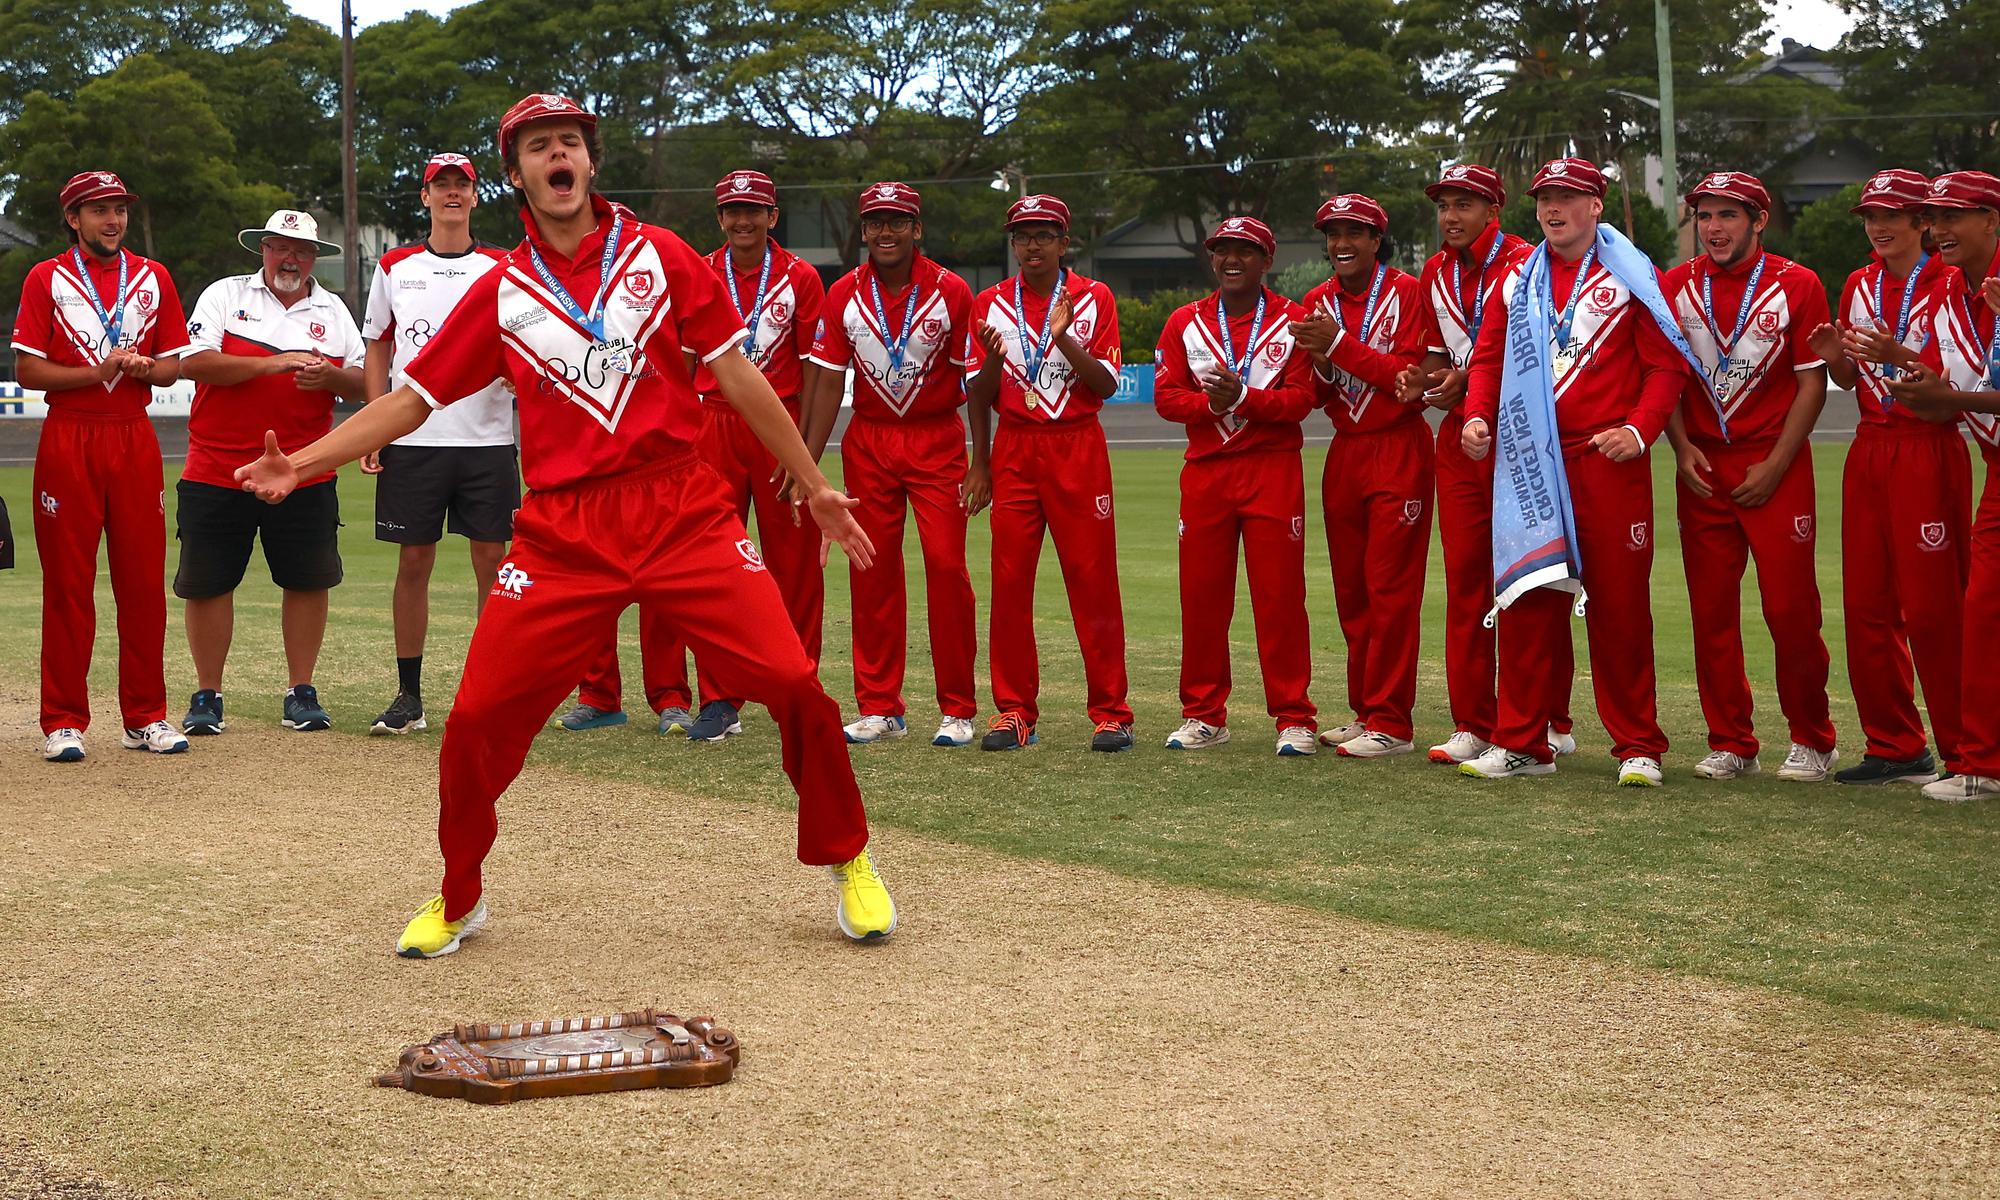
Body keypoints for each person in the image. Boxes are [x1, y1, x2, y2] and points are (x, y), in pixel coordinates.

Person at [234, 92, 895, 953]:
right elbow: (407, 401)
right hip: (561, 532)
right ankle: (460, 895)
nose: (559, 156)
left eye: (571, 143)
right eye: (540, 146)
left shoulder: (661, 256)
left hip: (680, 511)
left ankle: (849, 858)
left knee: (795, 684)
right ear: (517, 175)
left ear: (591, 163)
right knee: (474, 720)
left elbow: (736, 377)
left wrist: (811, 483)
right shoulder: (503, 290)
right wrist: (307, 462)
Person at [561, 168, 828, 743]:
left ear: (772, 216)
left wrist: (802, 452)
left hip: (772, 421)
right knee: (705, 565)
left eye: (753, 210)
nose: (742, 220)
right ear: (719, 217)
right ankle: (719, 699)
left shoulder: (801, 277)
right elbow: (680, 368)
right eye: (732, 210)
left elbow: (812, 372)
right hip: (707, 423)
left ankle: (797, 689)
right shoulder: (700, 269)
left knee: (795, 565)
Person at [1460, 157, 1690, 786]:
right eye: (1545, 200)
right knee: (1527, 600)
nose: (1553, 210)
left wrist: (1639, 430)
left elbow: (1665, 367)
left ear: (1597, 205)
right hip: (1530, 457)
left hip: (1606, 462)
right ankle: (1522, 743)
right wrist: (1477, 417)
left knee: (1619, 606)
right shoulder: (1517, 279)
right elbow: (1486, 362)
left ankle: (1638, 745)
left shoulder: (1635, 277)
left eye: (1568, 197)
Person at [1659, 171, 1840, 783]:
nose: (1714, 228)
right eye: (1705, 216)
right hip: (1703, 468)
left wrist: (1777, 465)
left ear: (1759, 221)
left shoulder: (1799, 283)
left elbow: (1812, 381)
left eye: (1728, 216)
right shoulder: (1674, 285)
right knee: (1711, 614)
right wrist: (1681, 449)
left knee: (1791, 613)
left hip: (1774, 465)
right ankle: (1731, 740)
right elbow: (1667, 380)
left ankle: (1814, 738)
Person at [1396, 165, 1578, 765]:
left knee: (1534, 580)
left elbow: (1546, 351)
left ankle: (1550, 719)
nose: (1450, 216)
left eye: (1464, 204)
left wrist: (1466, 380)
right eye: (1444, 204)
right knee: (1467, 582)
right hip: (1460, 437)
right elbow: (1432, 353)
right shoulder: (1435, 270)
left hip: (1524, 438)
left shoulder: (1528, 261)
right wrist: (1421, 381)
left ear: (1493, 208)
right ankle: (1474, 719)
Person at [11, 170, 191, 762]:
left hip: (133, 437)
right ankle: (63, 720)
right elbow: (28, 371)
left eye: (118, 209)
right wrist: (96, 373)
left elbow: (172, 367)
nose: (112, 220)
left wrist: (143, 367)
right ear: (73, 219)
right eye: (98, 210)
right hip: (69, 436)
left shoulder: (152, 276)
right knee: (68, 584)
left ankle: (146, 718)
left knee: (142, 582)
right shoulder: (47, 278)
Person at [176, 209, 366, 735]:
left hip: (306, 471)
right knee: (209, 585)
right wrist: (273, 362)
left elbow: (365, 383)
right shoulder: (224, 294)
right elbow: (194, 362)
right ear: (261, 248)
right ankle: (207, 695)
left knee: (307, 581)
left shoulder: (333, 308)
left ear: (314, 258)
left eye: (302, 250)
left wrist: (331, 375)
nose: (291, 258)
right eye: (280, 247)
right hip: (217, 467)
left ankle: (301, 690)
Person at [1809, 169, 1969, 786]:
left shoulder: (1954, 281)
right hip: (1870, 444)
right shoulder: (1858, 283)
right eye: (1870, 217)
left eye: (1892, 216)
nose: (1878, 227)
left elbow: (1961, 374)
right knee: (1867, 605)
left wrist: (1895, 355)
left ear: (1922, 223)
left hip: (1929, 443)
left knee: (1934, 607)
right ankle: (1895, 744)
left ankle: (1967, 751)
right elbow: (1854, 380)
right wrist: (1835, 362)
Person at [805, 181, 979, 747]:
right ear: (863, 231)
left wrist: (982, 457)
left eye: (897, 222)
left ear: (916, 229)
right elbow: (830, 380)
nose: (885, 231)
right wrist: (808, 463)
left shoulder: (952, 291)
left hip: (936, 442)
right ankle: (881, 706)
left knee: (946, 566)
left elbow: (972, 381)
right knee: (871, 571)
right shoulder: (842, 294)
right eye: (875, 222)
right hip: (871, 441)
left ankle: (957, 708)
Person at [964, 193, 1133, 752]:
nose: (1031, 245)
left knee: (1093, 581)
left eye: (1044, 234)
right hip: (1015, 448)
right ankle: (1014, 710)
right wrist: (980, 464)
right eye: (1022, 235)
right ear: (1013, 244)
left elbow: (1106, 385)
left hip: (1076, 446)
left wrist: (1062, 338)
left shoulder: (1093, 297)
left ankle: (1111, 711)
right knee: (1010, 583)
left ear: (1065, 242)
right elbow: (979, 394)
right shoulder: (989, 302)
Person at [359, 152, 517, 737]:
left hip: (488, 439)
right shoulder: (395, 265)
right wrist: (377, 418)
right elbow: (376, 342)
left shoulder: (504, 266)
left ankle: (489, 694)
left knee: (493, 564)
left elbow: (525, 337)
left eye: (462, 185)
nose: (452, 193)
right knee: (414, 562)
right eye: (440, 185)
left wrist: (514, 369)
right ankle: (409, 698)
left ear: (476, 196)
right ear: (424, 197)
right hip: (416, 438)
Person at [1152, 216, 1319, 756]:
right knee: (1202, 599)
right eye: (1223, 250)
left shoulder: (1294, 322)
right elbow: (1166, 398)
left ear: (1266, 261)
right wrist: (1211, 405)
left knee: (1280, 598)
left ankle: (1294, 717)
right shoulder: (1184, 322)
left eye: (1245, 252)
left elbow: (1301, 400)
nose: (1231, 260)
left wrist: (1243, 398)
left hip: (1272, 470)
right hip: (1206, 474)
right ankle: (1203, 713)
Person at [1289, 193, 1428, 758]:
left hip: (1398, 445)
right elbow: (1318, 391)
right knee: (1352, 591)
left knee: (1390, 589)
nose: (1341, 244)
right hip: (1345, 448)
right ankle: (1366, 708)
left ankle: (1392, 722)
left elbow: (1408, 376)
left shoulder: (1409, 292)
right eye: (1333, 234)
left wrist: (1340, 346)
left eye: (1354, 234)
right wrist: (1324, 361)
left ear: (1377, 241)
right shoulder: (1317, 299)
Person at [1880, 169, 2000, 801]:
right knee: (1982, 615)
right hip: (1995, 472)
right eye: (1935, 216)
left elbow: (1961, 392)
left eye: (1955, 216)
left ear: (1991, 219)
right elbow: (1947, 390)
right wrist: (1902, 367)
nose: (1940, 228)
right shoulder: (1951, 286)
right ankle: (1980, 763)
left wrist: (1942, 393)